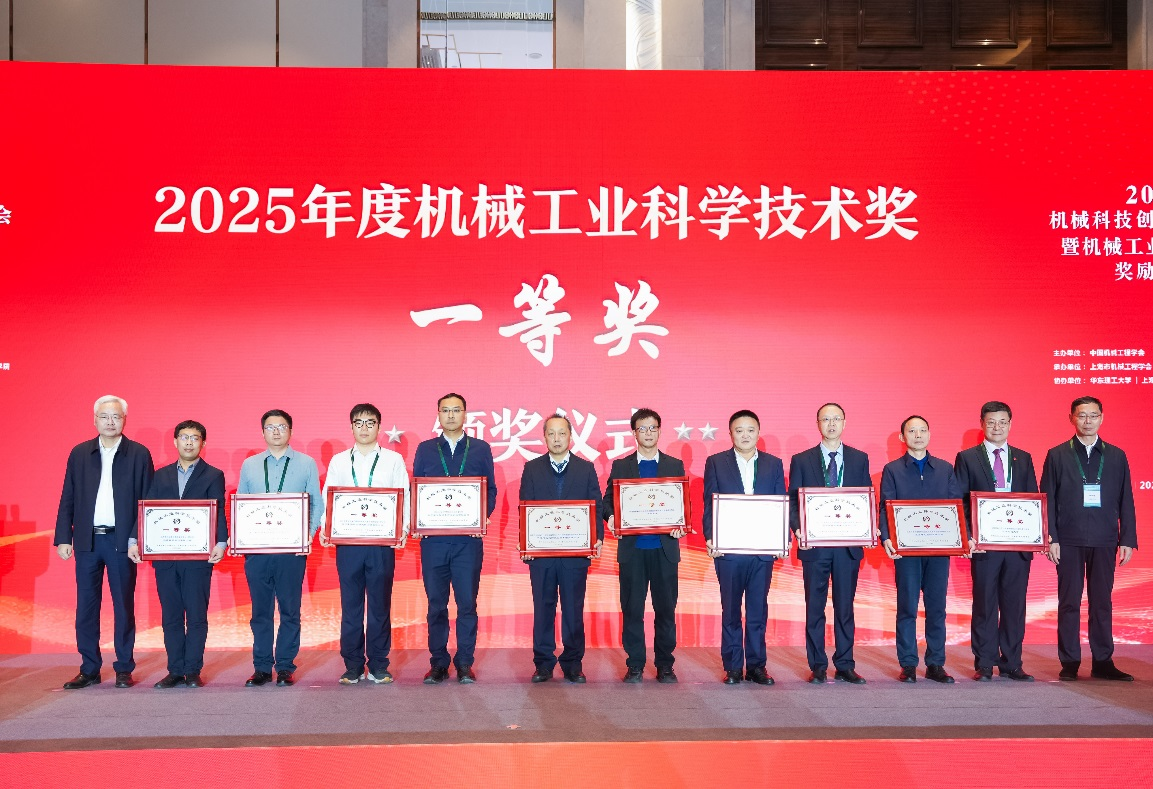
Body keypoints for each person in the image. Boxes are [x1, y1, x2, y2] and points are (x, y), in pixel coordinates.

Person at [54, 395, 154, 689]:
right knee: (86, 606)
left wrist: (137, 538)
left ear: (125, 420)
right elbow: (68, 496)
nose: (110, 422)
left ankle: (123, 667)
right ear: (95, 419)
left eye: (116, 417)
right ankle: (89, 669)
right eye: (104, 416)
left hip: (122, 541)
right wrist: (64, 537)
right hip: (87, 541)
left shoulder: (138, 453)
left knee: (123, 605)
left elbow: (146, 501)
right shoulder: (80, 453)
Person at [1040, 396, 1138, 681]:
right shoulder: (1057, 454)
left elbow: (1126, 499)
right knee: (1069, 602)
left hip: (1105, 538)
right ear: (1071, 418)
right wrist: (1050, 537)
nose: (1087, 421)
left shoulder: (1116, 455)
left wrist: (1127, 538)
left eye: (1093, 415)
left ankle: (1103, 661)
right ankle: (1070, 661)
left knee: (1102, 602)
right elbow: (1047, 498)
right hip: (1068, 539)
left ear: (1101, 418)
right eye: (1082, 415)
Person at [128, 420, 228, 688]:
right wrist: (134, 540)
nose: (189, 442)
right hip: (166, 557)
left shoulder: (213, 474)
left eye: (195, 438)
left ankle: (192, 670)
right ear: (175, 441)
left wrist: (221, 543)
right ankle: (175, 670)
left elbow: (218, 510)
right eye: (184, 437)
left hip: (198, 558)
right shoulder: (160, 475)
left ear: (203, 443)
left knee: (196, 615)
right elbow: (147, 510)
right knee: (171, 615)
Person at [320, 403, 410, 685]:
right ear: (351, 427)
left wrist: (402, 529)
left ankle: (379, 665)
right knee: (351, 607)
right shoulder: (338, 461)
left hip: (381, 544)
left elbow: (404, 495)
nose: (364, 428)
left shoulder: (393, 460)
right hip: (348, 544)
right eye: (358, 423)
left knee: (380, 606)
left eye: (370, 423)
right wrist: (326, 527)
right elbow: (329, 496)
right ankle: (353, 665)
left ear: (379, 427)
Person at [412, 393, 498, 684]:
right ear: (438, 414)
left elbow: (490, 489)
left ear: (465, 414)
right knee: (436, 605)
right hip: (433, 542)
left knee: (466, 605)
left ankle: (464, 663)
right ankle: (438, 663)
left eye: (456, 410)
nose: (450, 415)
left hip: (467, 542)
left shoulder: (481, 448)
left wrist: (482, 517)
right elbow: (417, 490)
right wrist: (418, 520)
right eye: (445, 410)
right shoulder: (425, 449)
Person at [236, 409, 323, 688]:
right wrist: (241, 540)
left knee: (290, 611)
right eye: (270, 427)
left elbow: (316, 503)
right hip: (257, 552)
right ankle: (262, 667)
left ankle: (285, 666)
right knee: (260, 612)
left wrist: (307, 536)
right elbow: (241, 505)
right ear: (262, 432)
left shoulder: (307, 463)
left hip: (292, 552)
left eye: (282, 426)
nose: (276, 431)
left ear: (291, 431)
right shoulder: (250, 465)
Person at [953, 401, 1038, 682]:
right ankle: (985, 662)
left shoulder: (1023, 458)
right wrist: (968, 535)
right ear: (982, 424)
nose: (997, 427)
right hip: (984, 545)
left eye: (1002, 422)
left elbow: (1033, 499)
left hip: (1017, 546)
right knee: (985, 604)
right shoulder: (967, 458)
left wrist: (1037, 533)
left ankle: (1012, 662)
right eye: (991, 422)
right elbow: (961, 501)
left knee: (1014, 605)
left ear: (1010, 424)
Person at [787, 403, 871, 685]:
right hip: (815, 547)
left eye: (836, 419)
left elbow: (865, 498)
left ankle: (845, 664)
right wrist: (798, 529)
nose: (831, 424)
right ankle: (818, 665)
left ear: (844, 423)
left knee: (845, 608)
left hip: (848, 547)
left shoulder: (859, 459)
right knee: (815, 607)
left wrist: (868, 528)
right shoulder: (802, 459)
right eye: (826, 419)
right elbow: (793, 500)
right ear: (818, 424)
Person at [602, 408, 687, 683]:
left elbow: (682, 504)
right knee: (632, 610)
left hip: (665, 549)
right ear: (634, 433)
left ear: (659, 431)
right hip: (633, 550)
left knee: (666, 610)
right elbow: (607, 501)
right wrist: (612, 517)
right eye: (642, 428)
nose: (648, 433)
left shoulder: (674, 465)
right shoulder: (621, 466)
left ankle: (665, 665)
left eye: (652, 428)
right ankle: (635, 664)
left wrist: (680, 524)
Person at [703, 410, 786, 685]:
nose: (745, 435)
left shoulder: (773, 464)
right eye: (739, 430)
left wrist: (781, 538)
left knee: (757, 612)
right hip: (729, 551)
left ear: (758, 432)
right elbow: (709, 503)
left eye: (750, 430)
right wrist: (711, 538)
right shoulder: (716, 462)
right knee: (730, 611)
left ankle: (757, 666)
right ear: (731, 434)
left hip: (762, 551)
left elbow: (780, 502)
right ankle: (733, 667)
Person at [518, 414, 604, 683]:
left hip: (575, 554)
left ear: (570, 436)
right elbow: (525, 507)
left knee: (573, 610)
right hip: (541, 555)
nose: (557, 439)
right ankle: (543, 663)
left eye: (562, 433)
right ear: (545, 437)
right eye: (551, 434)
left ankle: (573, 663)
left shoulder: (585, 469)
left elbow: (596, 506)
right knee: (543, 609)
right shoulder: (532, 468)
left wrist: (596, 539)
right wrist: (525, 543)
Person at [878, 415, 963, 683]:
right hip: (906, 551)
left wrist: (963, 538)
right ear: (902, 437)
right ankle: (908, 664)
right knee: (907, 607)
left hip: (939, 550)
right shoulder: (892, 470)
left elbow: (956, 506)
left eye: (923, 430)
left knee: (937, 608)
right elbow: (885, 506)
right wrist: (886, 538)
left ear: (929, 434)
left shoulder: (945, 468)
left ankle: (936, 663)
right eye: (912, 431)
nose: (918, 435)